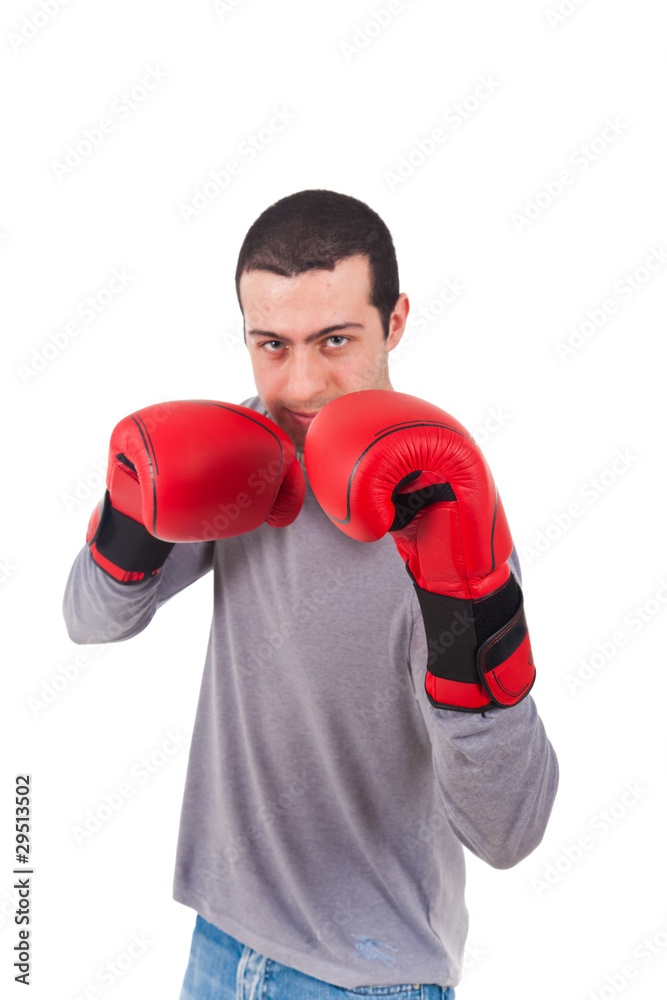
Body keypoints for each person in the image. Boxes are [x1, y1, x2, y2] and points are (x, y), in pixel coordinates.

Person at [63, 189, 559, 999]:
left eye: (335, 340)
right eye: (271, 344)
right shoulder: (241, 454)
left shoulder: (440, 511)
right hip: (219, 936)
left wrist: (465, 613)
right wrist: (131, 513)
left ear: (395, 322)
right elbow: (89, 622)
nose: (297, 384)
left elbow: (509, 833)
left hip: (368, 973)